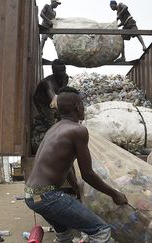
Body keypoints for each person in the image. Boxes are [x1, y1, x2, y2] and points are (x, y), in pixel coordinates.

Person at [25, 86, 128, 243]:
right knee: (100, 231)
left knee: (65, 234)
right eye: (82, 104)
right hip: (48, 196)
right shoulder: (78, 130)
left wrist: (76, 189)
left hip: (32, 195)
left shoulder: (54, 128)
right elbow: (88, 174)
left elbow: (67, 166)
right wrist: (114, 194)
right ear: (77, 107)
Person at [31, 59, 68, 153]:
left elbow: (62, 93)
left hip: (52, 100)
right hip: (41, 101)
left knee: (60, 119)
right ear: (53, 71)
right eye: (59, 72)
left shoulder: (65, 78)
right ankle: (51, 148)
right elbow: (53, 97)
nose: (62, 73)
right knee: (51, 122)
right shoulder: (48, 82)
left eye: (63, 70)